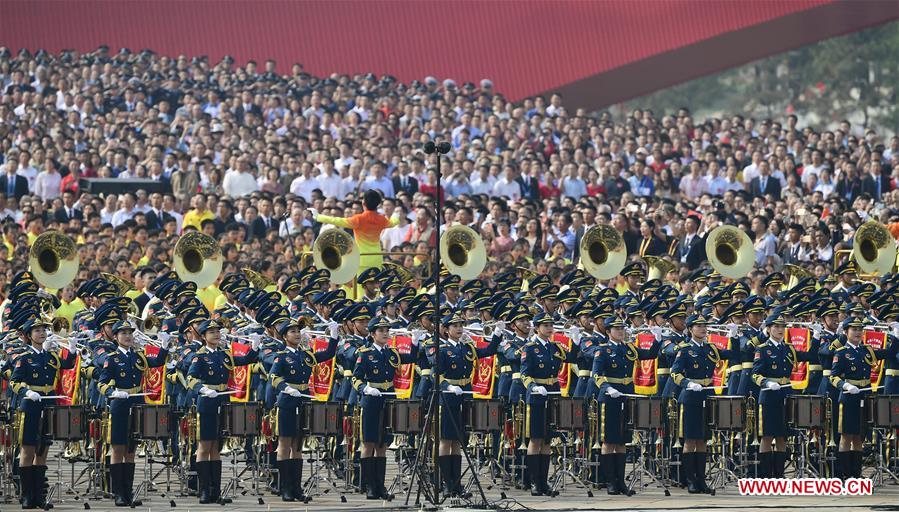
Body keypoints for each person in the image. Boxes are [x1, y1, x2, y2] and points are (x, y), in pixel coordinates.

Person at [9, 310, 77, 509]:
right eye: (37, 331)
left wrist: (71, 350)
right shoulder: (24, 357)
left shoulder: (50, 356)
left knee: (43, 449)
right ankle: (27, 495)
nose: (41, 333)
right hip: (31, 404)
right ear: (29, 335)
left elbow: (66, 365)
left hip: (48, 404)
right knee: (28, 449)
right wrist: (27, 392)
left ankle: (39, 495)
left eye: (43, 330)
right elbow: (14, 382)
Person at [188, 319, 261, 504]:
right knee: (204, 447)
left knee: (216, 447)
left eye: (217, 331)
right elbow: (191, 378)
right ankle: (203, 490)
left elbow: (245, 360)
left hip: (222, 401)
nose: (216, 334)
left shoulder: (225, 355)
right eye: (211, 332)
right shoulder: (200, 356)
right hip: (207, 403)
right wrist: (203, 390)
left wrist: (254, 347)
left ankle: (215, 490)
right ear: (203, 336)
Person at [98, 320, 169, 506]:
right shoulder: (111, 358)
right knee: (118, 448)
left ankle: (128, 492)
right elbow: (101, 383)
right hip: (120, 405)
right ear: (115, 337)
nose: (128, 336)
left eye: (130, 333)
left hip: (137, 404)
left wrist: (164, 346)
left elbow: (158, 362)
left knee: (131, 449)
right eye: (123, 333)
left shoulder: (138, 356)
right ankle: (118, 493)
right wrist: (112, 392)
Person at [269, 317, 339, 501]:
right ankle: (284, 487)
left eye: (298, 331)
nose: (297, 334)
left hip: (303, 401)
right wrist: (286, 388)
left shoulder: (306, 355)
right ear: (285, 336)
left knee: (297, 445)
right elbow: (273, 377)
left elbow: (329, 354)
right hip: (287, 402)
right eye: (292, 332)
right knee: (284, 444)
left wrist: (334, 335)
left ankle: (296, 487)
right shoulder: (281, 356)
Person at [352, 316, 421, 499]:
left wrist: (414, 340)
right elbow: (355, 377)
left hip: (388, 399)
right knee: (368, 443)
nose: (385, 333)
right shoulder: (365, 353)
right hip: (371, 400)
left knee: (382, 443)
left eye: (386, 330)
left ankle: (380, 486)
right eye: (381, 331)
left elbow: (412, 357)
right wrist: (365, 388)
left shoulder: (392, 353)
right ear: (373, 334)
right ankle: (369, 486)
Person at [520, 312, 578, 496]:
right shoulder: (529, 348)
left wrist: (575, 341)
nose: (549, 328)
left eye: (551, 324)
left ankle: (544, 482)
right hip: (537, 396)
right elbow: (524, 373)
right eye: (545, 325)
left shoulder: (555, 347)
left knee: (547, 439)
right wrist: (534, 387)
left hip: (552, 394)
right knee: (535, 439)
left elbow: (572, 358)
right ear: (536, 328)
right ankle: (534, 482)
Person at [313, 190, 399, 271]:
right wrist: (396, 215)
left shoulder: (358, 219)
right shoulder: (381, 219)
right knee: (375, 286)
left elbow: (337, 220)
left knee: (360, 286)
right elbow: (393, 223)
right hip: (376, 258)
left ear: (363, 203)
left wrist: (318, 217)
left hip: (362, 259)